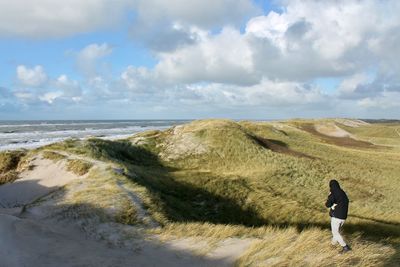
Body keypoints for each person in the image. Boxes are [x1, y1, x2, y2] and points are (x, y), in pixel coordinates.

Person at [325, 179, 351, 253]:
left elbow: (327, 204)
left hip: (336, 216)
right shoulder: (342, 193)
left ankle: (345, 247)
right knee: (336, 232)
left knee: (335, 233)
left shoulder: (333, 193)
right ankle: (332, 245)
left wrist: (329, 195)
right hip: (343, 217)